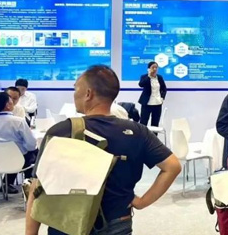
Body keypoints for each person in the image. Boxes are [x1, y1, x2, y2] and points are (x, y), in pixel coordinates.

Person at [26, 65, 181, 235]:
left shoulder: (60, 131)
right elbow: (172, 166)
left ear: (88, 94)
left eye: (76, 88)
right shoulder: (138, 132)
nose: (74, 94)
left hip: (66, 221)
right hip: (117, 220)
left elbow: (37, 187)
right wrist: (143, 202)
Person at [0, 91, 38, 194]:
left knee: (19, 155)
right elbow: (31, 144)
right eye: (10, 100)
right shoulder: (19, 121)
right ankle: (30, 185)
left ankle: (7, 183)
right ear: (7, 105)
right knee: (34, 154)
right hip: (20, 159)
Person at [137, 62, 167, 127]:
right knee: (143, 122)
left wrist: (162, 98)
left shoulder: (159, 77)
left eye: (156, 67)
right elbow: (141, 84)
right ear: (149, 69)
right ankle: (143, 134)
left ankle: (153, 134)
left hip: (157, 103)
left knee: (155, 124)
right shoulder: (144, 77)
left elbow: (164, 88)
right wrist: (149, 76)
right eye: (153, 67)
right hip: (147, 103)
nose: (155, 69)